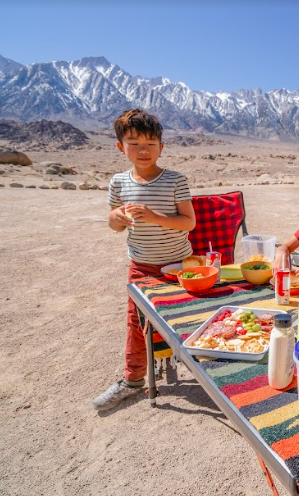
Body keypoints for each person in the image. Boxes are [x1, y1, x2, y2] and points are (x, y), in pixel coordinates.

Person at [92, 109, 196, 411]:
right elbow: (113, 223)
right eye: (134, 143)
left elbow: (188, 222)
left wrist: (152, 216)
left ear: (161, 148)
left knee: (187, 317)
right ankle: (134, 379)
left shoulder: (175, 180)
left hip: (180, 265)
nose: (143, 150)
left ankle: (206, 369)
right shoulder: (119, 182)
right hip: (141, 267)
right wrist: (118, 217)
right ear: (120, 147)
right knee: (136, 326)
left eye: (151, 143)